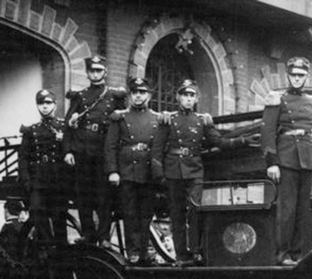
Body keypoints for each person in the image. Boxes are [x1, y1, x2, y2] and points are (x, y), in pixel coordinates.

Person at [152, 79, 256, 266]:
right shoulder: (168, 120)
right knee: (177, 215)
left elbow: (220, 142)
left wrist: (244, 140)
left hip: (194, 171)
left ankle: (197, 251)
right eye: (185, 95)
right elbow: (157, 150)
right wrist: (160, 175)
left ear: (196, 99)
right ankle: (182, 256)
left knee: (196, 211)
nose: (188, 99)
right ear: (178, 97)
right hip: (173, 171)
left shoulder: (202, 121)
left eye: (192, 96)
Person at [262, 57, 312, 266]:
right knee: (286, 210)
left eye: (301, 75)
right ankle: (282, 255)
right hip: (286, 159)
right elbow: (268, 132)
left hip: (306, 161)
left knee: (302, 211)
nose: (297, 79)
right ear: (288, 76)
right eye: (294, 75)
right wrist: (272, 162)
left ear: (307, 77)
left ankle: (297, 254)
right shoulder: (277, 99)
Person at [64, 55, 127, 249]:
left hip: (103, 153)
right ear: (87, 73)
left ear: (105, 73)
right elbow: (68, 126)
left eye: (99, 70)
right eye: (92, 71)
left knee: (103, 197)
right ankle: (89, 236)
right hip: (82, 151)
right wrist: (68, 151)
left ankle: (104, 238)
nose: (95, 74)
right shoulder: (80, 97)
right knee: (83, 196)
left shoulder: (114, 96)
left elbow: (125, 124)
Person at [105, 77, 163, 265]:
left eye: (142, 92)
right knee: (129, 212)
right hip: (127, 170)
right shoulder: (120, 117)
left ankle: (145, 250)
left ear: (149, 95)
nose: (138, 96)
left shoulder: (157, 118)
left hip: (147, 171)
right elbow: (111, 146)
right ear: (130, 95)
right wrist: (113, 171)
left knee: (146, 214)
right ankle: (134, 251)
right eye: (135, 93)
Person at [18, 90, 69, 244]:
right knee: (37, 211)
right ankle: (47, 245)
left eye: (48, 103)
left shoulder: (63, 127)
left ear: (55, 105)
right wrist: (27, 181)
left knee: (59, 217)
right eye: (41, 103)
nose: (44, 107)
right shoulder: (31, 130)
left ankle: (62, 253)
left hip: (58, 182)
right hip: (38, 183)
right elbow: (23, 158)